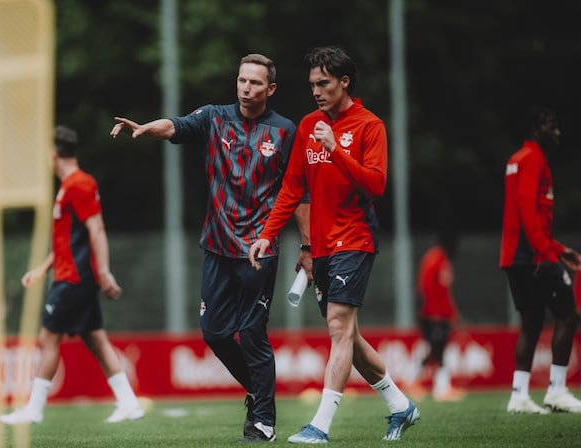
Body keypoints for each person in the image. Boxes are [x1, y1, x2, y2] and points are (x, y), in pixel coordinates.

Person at [111, 53, 307, 442]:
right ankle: (259, 391)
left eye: (254, 82)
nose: (246, 87)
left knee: (252, 335)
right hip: (217, 246)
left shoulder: (286, 131)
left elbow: (299, 193)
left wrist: (307, 245)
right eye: (241, 80)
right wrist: (146, 128)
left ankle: (263, 421)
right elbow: (176, 126)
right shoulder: (215, 117)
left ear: (270, 89)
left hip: (258, 250)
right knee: (214, 333)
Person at [248, 46, 420, 443]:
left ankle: (320, 426)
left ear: (344, 82)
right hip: (322, 246)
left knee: (339, 327)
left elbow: (376, 185)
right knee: (349, 336)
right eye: (312, 85)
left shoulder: (369, 125)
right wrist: (267, 235)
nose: (316, 91)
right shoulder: (308, 124)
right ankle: (400, 406)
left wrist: (336, 150)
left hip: (356, 238)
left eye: (323, 83)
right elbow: (291, 189)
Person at [0, 125, 144, 425]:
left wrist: (103, 272)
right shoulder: (68, 186)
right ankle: (129, 404)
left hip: (74, 278)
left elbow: (96, 229)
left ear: (53, 153)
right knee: (96, 340)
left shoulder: (78, 184)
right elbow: (70, 239)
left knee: (48, 337)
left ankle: (33, 411)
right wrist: (42, 268)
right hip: (70, 273)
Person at [500, 106, 581, 414]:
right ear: (536, 130)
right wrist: (545, 254)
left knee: (532, 323)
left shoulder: (516, 160)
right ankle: (557, 390)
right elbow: (528, 212)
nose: (557, 133)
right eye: (552, 127)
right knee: (569, 315)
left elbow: (523, 219)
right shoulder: (534, 159)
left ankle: (519, 395)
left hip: (515, 255)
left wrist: (560, 249)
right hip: (534, 256)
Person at [415, 229, 464, 401]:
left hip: (438, 313)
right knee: (439, 348)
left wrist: (452, 313)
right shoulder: (438, 260)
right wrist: (434, 313)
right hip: (434, 314)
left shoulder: (436, 258)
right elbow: (427, 287)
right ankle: (440, 388)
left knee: (437, 349)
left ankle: (433, 385)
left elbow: (443, 291)